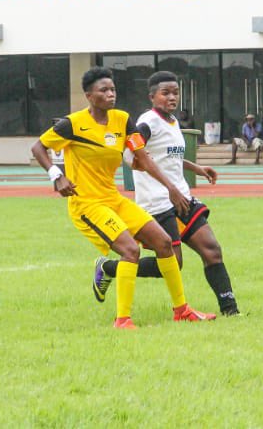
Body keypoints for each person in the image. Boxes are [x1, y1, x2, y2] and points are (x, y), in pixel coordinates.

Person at [30, 67, 215, 329]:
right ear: (89, 96)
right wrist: (55, 175)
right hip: (87, 204)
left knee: (164, 243)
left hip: (113, 199)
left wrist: (171, 187)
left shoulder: (123, 120)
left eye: (113, 89)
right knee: (131, 250)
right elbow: (38, 147)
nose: (110, 94)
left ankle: (182, 310)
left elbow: (141, 157)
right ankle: (123, 320)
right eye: (103, 90)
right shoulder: (72, 123)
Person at [94, 71, 240, 315]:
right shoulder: (147, 122)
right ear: (152, 96)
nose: (172, 97)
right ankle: (108, 268)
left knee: (212, 249)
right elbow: (130, 154)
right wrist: (154, 178)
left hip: (181, 197)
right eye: (166, 93)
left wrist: (197, 168)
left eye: (175, 92)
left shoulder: (172, 121)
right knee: (173, 264)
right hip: (158, 202)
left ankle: (231, 311)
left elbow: (168, 157)